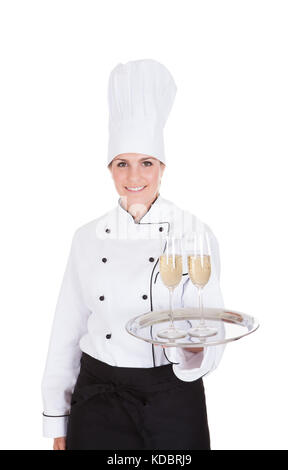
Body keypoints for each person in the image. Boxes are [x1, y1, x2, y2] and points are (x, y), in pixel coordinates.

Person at [41, 59, 226, 450]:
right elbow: (67, 330)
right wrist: (57, 419)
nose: (134, 177)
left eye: (146, 163)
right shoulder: (86, 238)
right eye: (122, 164)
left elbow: (212, 321)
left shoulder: (193, 233)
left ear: (162, 168)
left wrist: (193, 350)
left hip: (171, 398)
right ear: (110, 169)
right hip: (98, 399)